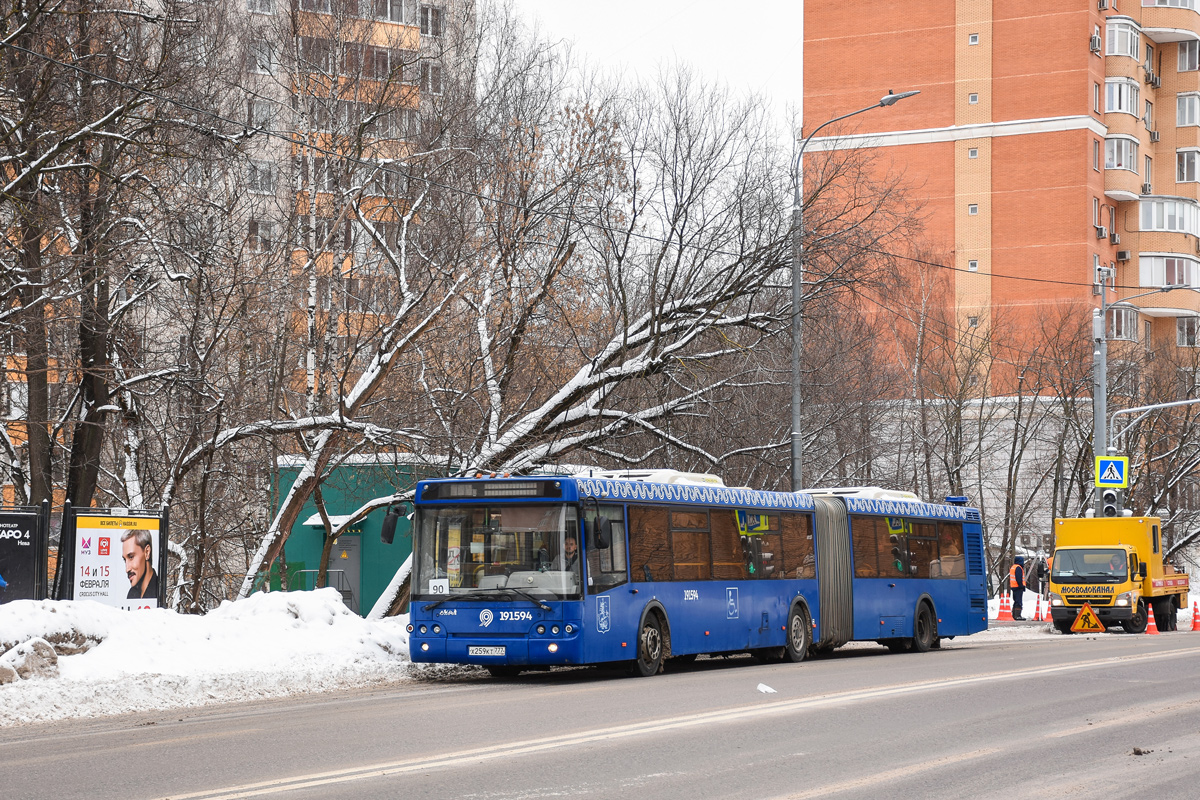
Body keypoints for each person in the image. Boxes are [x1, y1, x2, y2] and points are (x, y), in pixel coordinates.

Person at [121, 529, 158, 600]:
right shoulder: (132, 594)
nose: (127, 569)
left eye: (131, 557)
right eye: (125, 560)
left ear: (147, 552)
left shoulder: (160, 590)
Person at [1009, 555, 1025, 620]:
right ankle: (1017, 615)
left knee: (1016, 601)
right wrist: (1021, 586)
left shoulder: (1013, 567)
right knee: (1018, 601)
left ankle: (1014, 615)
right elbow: (1019, 578)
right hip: (1018, 587)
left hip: (1014, 586)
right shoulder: (1018, 568)